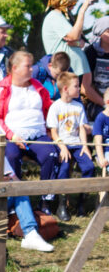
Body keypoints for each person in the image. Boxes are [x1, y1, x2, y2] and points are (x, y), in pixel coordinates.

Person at [0, 50, 58, 213]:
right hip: (12, 135)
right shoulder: (4, 88)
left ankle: (45, 201)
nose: (32, 69)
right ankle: (15, 202)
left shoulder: (38, 87)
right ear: (15, 68)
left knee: (51, 155)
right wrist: (12, 136)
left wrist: (51, 131)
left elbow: (48, 108)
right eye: (28, 66)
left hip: (37, 134)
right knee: (12, 156)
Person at [42, 0, 99, 113]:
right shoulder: (54, 16)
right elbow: (73, 36)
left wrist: (76, 42)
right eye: (71, 2)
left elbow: (79, 41)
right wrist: (82, 11)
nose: (73, 5)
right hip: (67, 67)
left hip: (75, 68)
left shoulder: (62, 17)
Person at [46, 70, 94, 219]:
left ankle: (81, 204)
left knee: (89, 167)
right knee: (64, 168)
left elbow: (80, 129)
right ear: (66, 89)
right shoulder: (56, 107)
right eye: (76, 86)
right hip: (62, 144)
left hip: (76, 144)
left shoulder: (78, 107)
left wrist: (85, 145)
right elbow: (53, 132)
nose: (79, 89)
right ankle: (62, 205)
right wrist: (62, 147)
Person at [82, 16, 109, 118]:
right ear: (100, 33)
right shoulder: (90, 52)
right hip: (96, 102)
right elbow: (85, 88)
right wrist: (105, 105)